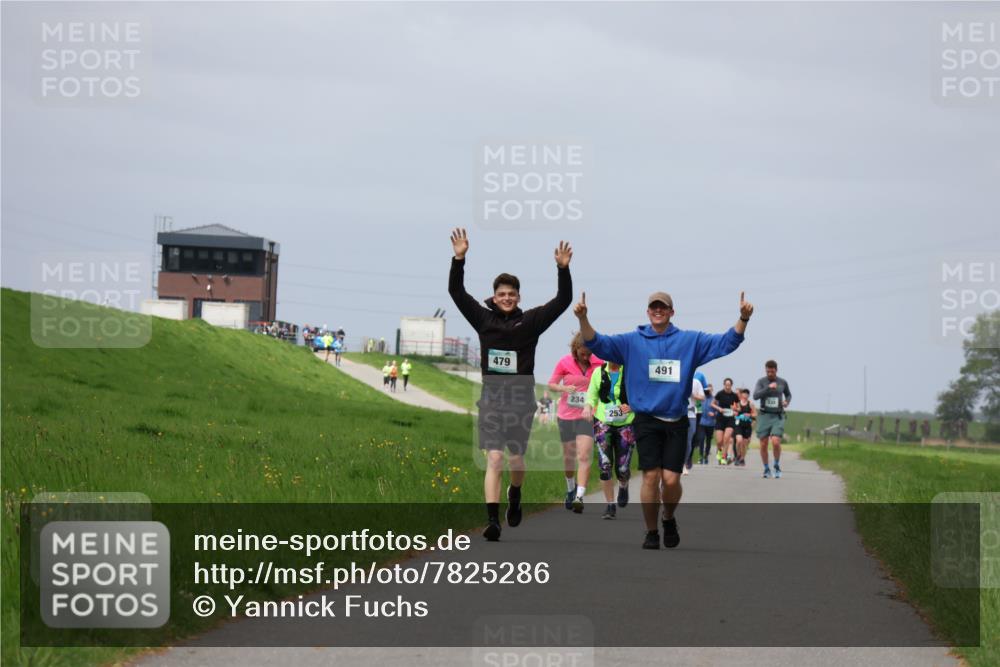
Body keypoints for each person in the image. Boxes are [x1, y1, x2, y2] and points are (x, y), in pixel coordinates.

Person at [574, 289, 753, 549]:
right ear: (648, 312)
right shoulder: (631, 341)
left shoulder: (689, 341)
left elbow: (725, 343)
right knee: (650, 477)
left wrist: (743, 319)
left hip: (676, 419)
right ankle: (651, 532)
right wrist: (583, 319)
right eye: (653, 307)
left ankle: (668, 517)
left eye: (663, 307)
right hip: (645, 420)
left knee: (671, 480)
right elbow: (598, 343)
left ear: (671, 312)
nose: (658, 310)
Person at [448, 228, 573, 541]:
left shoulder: (529, 322)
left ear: (518, 297)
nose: (506, 298)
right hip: (491, 400)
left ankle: (515, 493)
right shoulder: (483, 319)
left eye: (512, 294)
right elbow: (457, 293)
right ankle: (492, 520)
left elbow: (563, 300)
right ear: (494, 296)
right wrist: (459, 259)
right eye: (502, 294)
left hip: (520, 401)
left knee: (516, 460)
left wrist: (563, 269)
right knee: (494, 458)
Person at [548, 334, 602, 513]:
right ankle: (571, 488)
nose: (586, 358)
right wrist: (563, 388)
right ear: (575, 351)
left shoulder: (599, 363)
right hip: (566, 416)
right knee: (569, 458)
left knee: (584, 456)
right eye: (583, 354)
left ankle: (579, 496)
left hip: (587, 416)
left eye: (589, 354)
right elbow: (551, 384)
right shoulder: (564, 362)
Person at [582, 360, 635, 519]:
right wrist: (587, 407)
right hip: (603, 422)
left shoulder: (630, 372)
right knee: (605, 465)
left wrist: (632, 405)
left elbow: (641, 394)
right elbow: (591, 395)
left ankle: (623, 485)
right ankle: (610, 506)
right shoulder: (599, 372)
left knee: (623, 469)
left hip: (626, 423)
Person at [753, 360, 792, 478]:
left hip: (778, 415)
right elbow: (755, 396)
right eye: (768, 371)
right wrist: (768, 388)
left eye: (772, 371)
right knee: (763, 444)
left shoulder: (782, 382)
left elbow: (789, 394)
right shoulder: (761, 382)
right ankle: (766, 469)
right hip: (764, 415)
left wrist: (786, 401)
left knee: (775, 442)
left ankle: (776, 465)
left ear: (776, 370)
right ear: (765, 370)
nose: (770, 373)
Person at [711, 378, 738, 465]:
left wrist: (735, 409)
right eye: (726, 385)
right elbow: (712, 404)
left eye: (729, 385)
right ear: (724, 385)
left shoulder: (734, 395)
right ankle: (719, 452)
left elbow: (738, 408)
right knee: (719, 441)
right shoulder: (720, 393)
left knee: (726, 438)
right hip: (720, 418)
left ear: (731, 385)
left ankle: (723, 457)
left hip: (730, 419)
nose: (727, 386)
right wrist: (719, 408)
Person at [683, 376, 705, 474]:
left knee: (688, 440)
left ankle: (684, 464)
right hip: (678, 413)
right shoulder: (678, 378)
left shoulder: (696, 382)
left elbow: (702, 397)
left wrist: (693, 395)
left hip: (691, 413)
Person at [733, 388, 757, 466]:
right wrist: (736, 412)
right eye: (744, 393)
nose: (745, 395)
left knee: (744, 444)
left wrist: (749, 415)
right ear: (741, 394)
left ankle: (742, 459)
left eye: (747, 394)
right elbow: (733, 412)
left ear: (748, 395)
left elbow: (755, 414)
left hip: (747, 425)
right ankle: (737, 455)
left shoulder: (750, 404)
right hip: (739, 424)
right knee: (739, 441)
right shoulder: (737, 403)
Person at [697, 384, 716, 464]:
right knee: (701, 439)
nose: (709, 391)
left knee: (708, 441)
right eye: (707, 390)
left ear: (712, 390)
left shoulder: (715, 399)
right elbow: (697, 407)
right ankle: (701, 457)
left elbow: (718, 411)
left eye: (710, 390)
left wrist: (714, 414)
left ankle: (706, 456)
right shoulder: (702, 398)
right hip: (702, 422)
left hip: (711, 423)